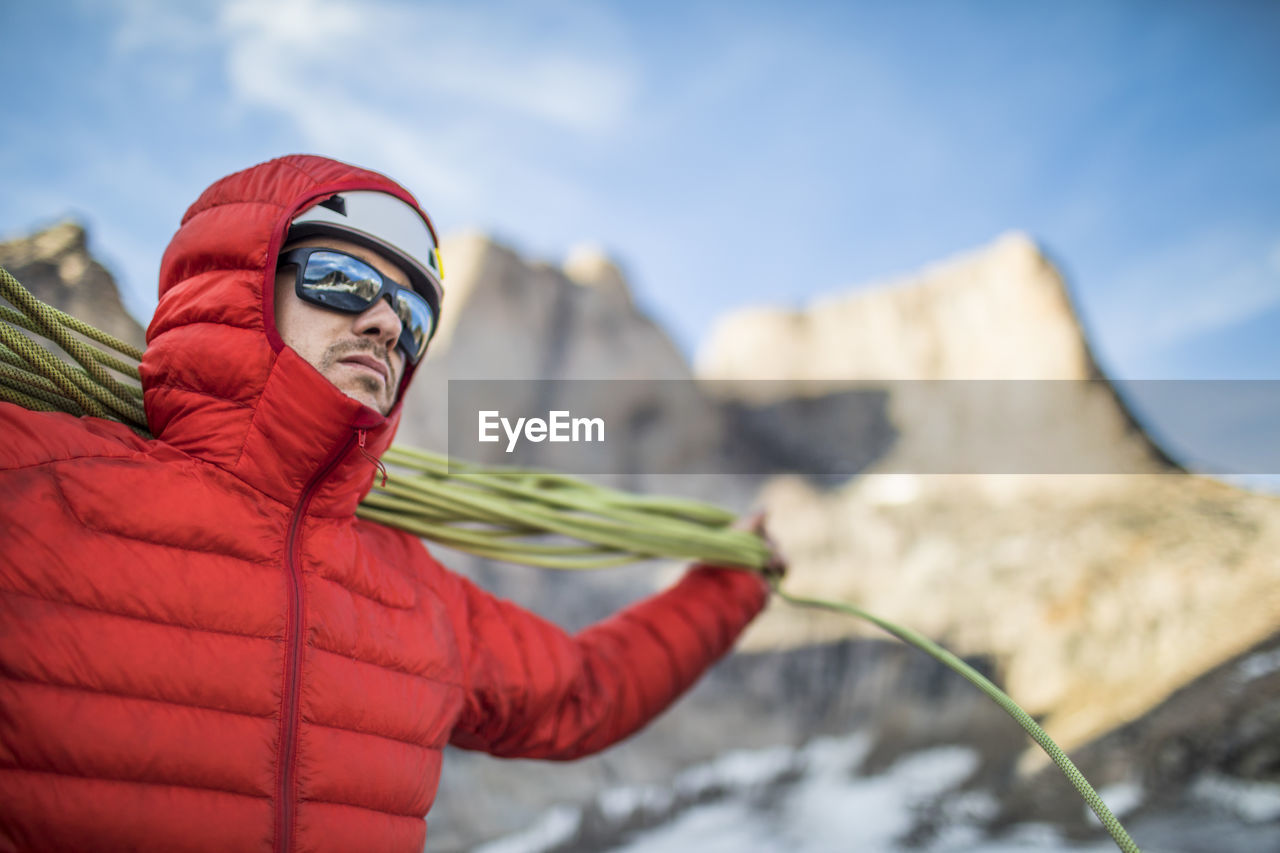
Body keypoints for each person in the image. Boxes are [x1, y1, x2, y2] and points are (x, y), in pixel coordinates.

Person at [0, 154, 781, 852]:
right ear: (240, 286)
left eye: (412, 318)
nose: (382, 324)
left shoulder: (415, 593)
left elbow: (581, 692)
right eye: (340, 279)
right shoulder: (32, 481)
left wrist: (732, 587)